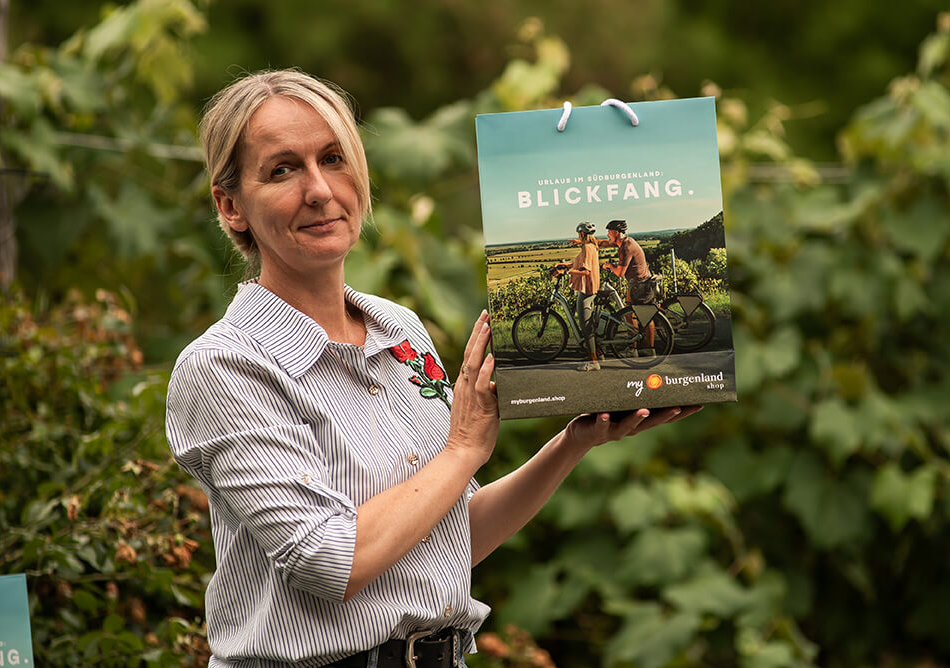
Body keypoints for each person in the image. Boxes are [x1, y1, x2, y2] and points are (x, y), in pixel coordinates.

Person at [164, 68, 701, 668]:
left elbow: (452, 537)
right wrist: (462, 448)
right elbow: (329, 560)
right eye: (282, 169)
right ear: (231, 206)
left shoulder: (400, 332)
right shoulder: (225, 366)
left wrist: (573, 444)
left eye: (333, 158)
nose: (318, 190)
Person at [600, 219, 656, 355]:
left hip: (640, 284)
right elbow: (603, 243)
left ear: (616, 232)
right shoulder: (627, 241)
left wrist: (609, 266)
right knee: (629, 315)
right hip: (637, 283)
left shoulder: (626, 247)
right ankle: (633, 348)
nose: (607, 234)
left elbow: (620, 273)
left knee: (645, 317)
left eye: (609, 232)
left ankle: (650, 349)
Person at [554, 222, 602, 371]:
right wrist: (564, 265)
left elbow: (585, 271)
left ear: (581, 234)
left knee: (586, 327)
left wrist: (566, 272)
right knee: (588, 325)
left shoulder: (587, 248)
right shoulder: (590, 246)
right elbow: (578, 264)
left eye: (578, 234)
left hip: (587, 290)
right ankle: (598, 353)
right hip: (590, 288)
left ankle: (594, 362)